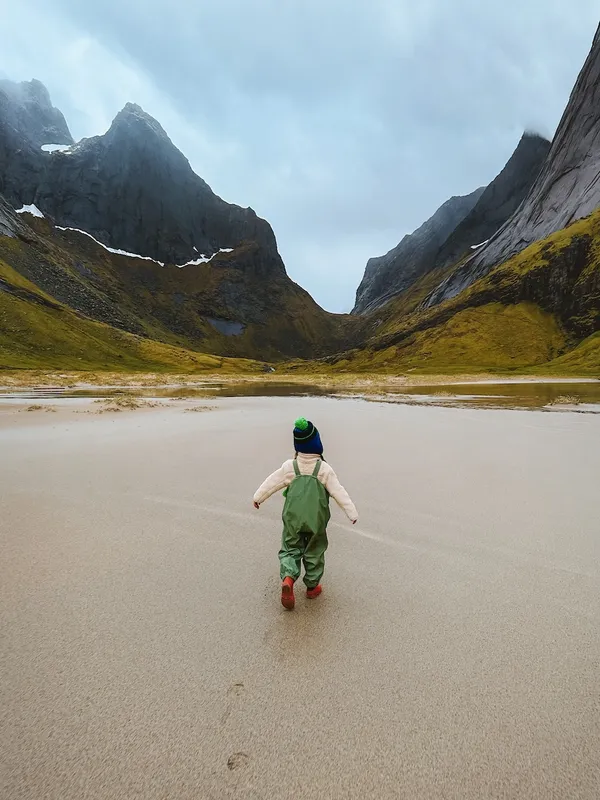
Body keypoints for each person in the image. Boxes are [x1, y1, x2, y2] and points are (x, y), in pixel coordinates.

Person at [253, 417, 358, 610]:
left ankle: (288, 579)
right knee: (314, 551)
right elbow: (338, 492)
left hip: (292, 519)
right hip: (316, 521)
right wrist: (352, 513)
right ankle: (311, 587)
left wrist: (258, 497)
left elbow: (271, 482)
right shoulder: (324, 469)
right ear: (317, 444)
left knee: (290, 548)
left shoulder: (290, 467)